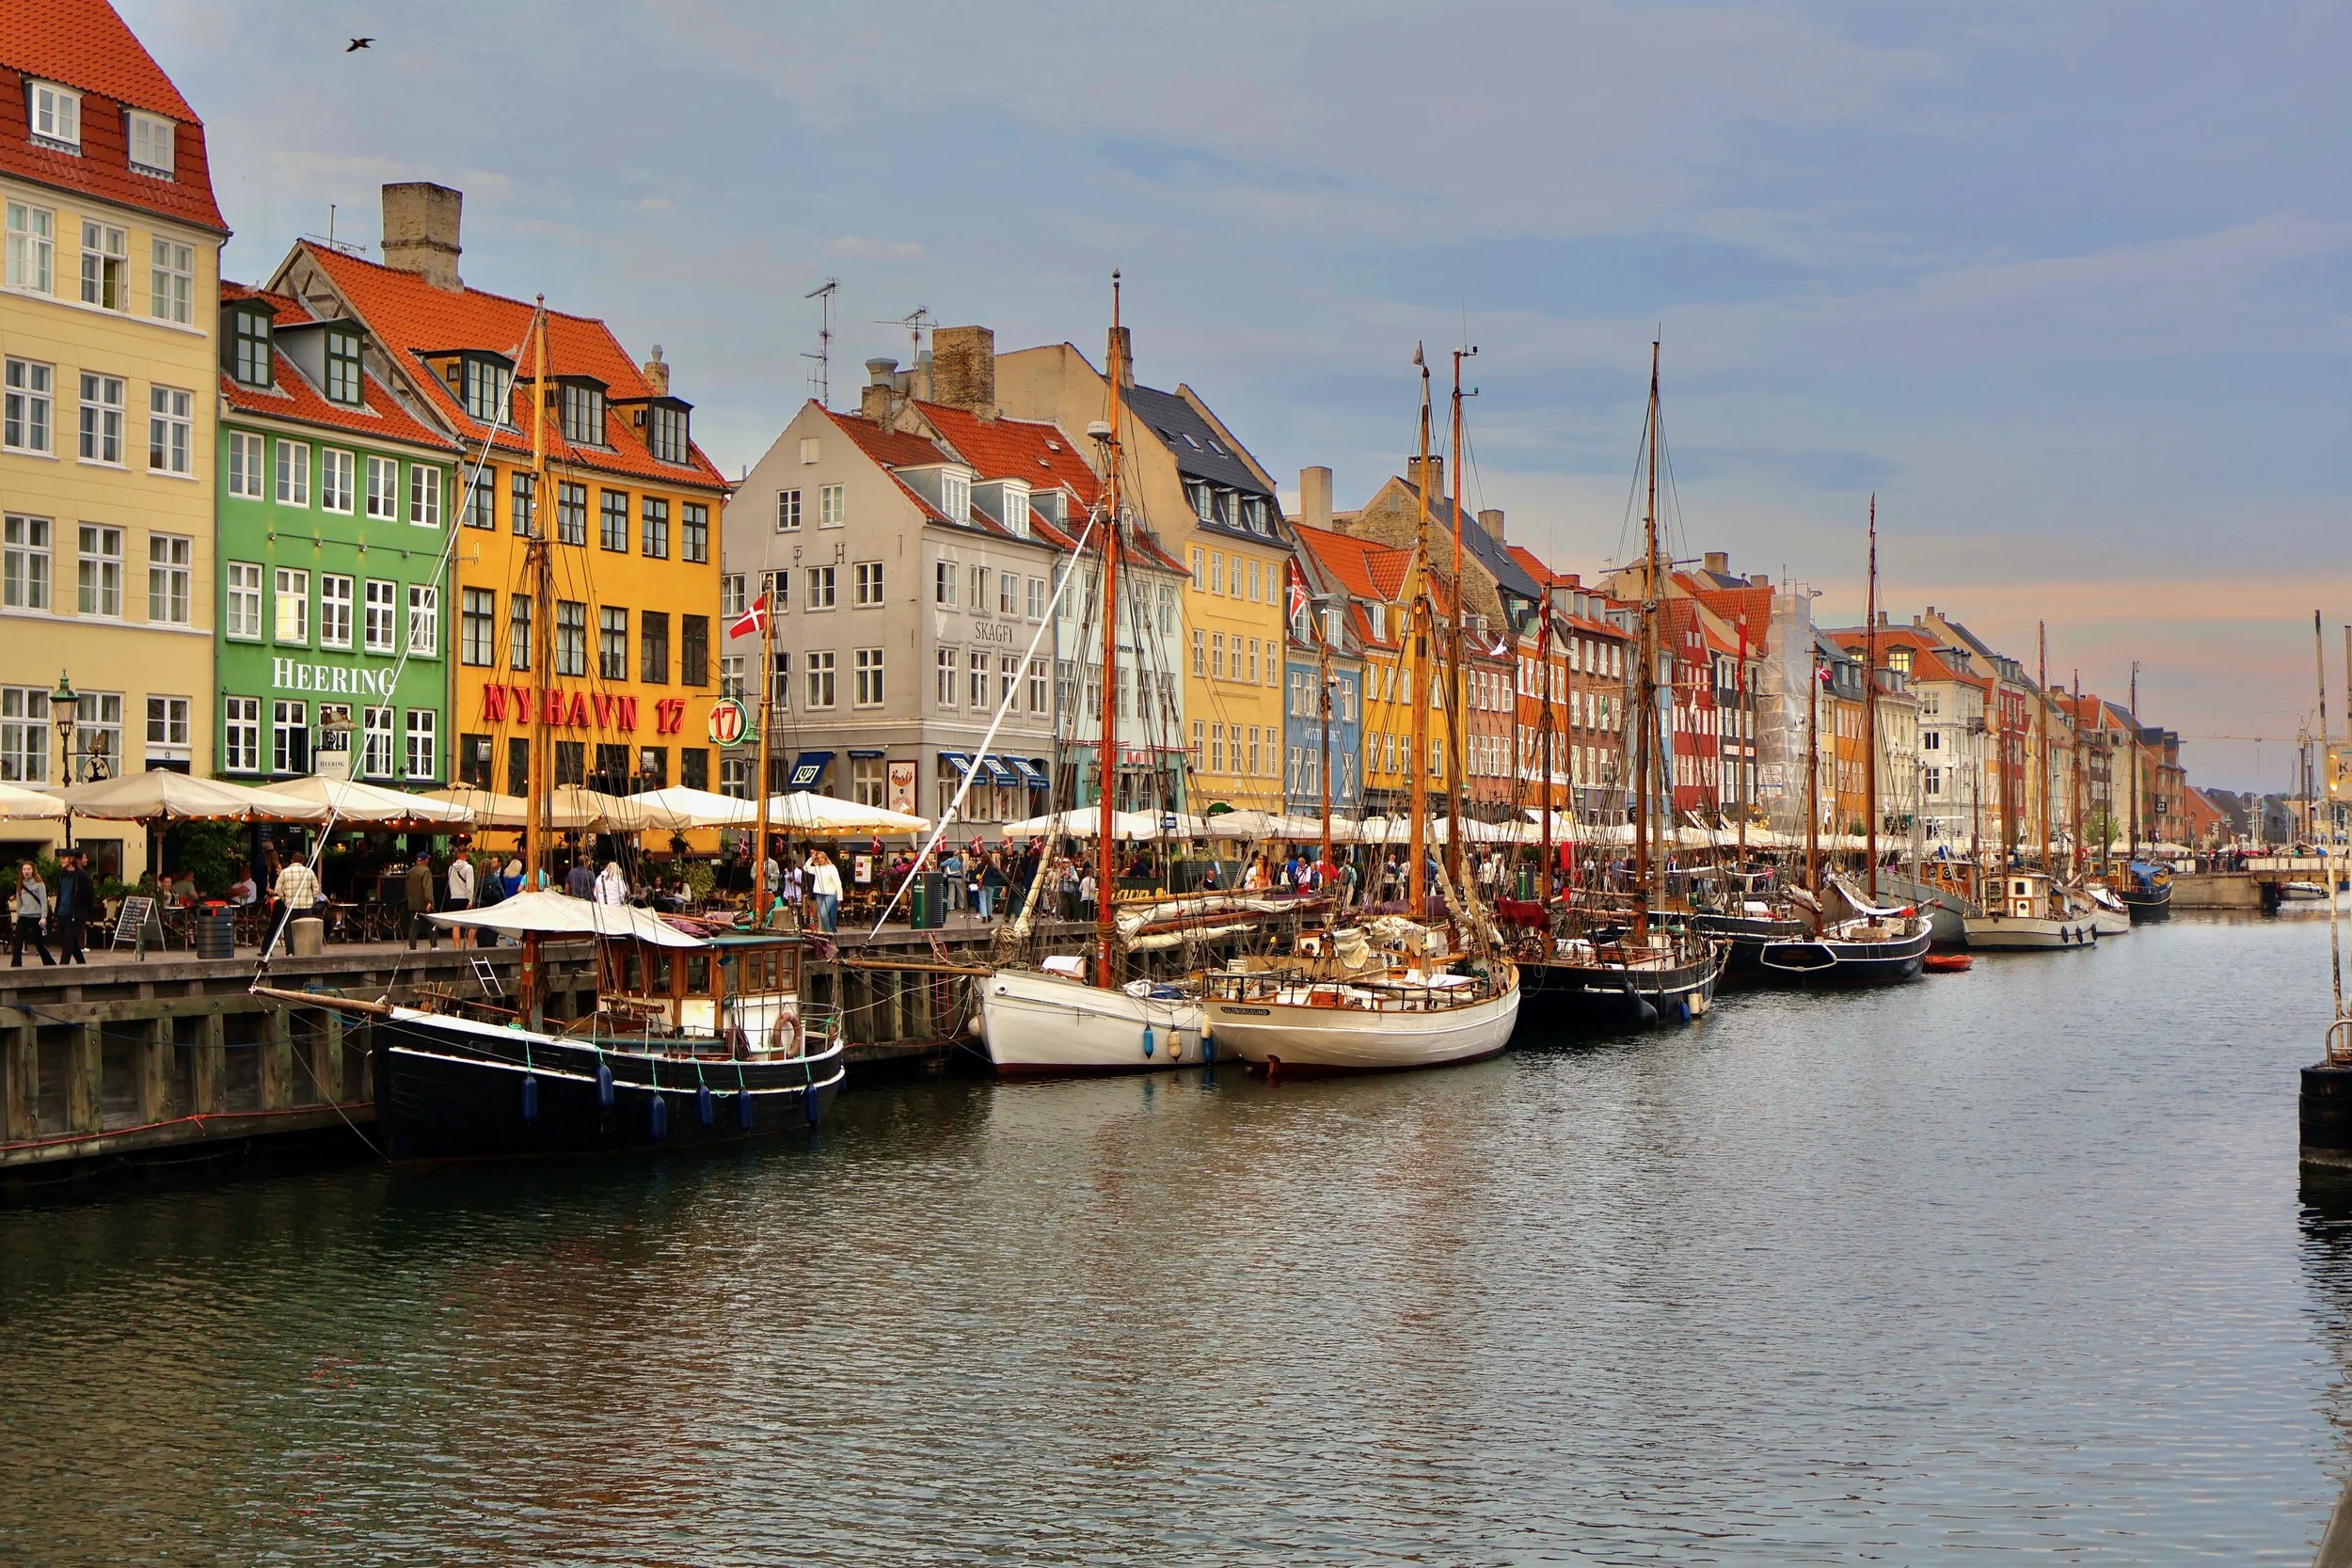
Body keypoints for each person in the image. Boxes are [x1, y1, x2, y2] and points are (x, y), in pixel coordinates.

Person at [268, 855, 319, 957]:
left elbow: (278, 889)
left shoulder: (284, 872)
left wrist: (284, 898)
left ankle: (290, 951)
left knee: (289, 929)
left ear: (291, 860)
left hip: (291, 905)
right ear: (303, 861)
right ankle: (305, 950)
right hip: (306, 906)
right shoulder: (309, 872)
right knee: (305, 929)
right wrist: (312, 900)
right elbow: (316, 888)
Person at [52, 851, 91, 965]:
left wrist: (86, 913)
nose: (61, 860)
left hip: (75, 915)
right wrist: (56, 913)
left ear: (71, 859)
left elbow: (89, 895)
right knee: (71, 942)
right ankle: (82, 966)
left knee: (68, 942)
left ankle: (62, 969)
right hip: (62, 913)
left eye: (64, 858)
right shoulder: (61, 876)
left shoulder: (81, 876)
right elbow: (60, 895)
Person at [11, 862, 53, 967]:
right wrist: (18, 916)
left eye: (29, 869)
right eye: (24, 869)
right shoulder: (20, 884)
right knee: (18, 943)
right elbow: (19, 903)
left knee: (39, 944)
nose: (26, 871)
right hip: (24, 916)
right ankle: (15, 966)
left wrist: (44, 917)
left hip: (36, 917)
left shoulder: (39, 884)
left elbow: (44, 902)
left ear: (33, 870)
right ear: (21, 871)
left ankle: (50, 964)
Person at [403, 851, 437, 950]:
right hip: (424, 903)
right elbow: (427, 888)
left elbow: (406, 888)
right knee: (432, 924)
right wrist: (429, 901)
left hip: (413, 903)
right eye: (427, 859)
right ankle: (434, 946)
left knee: (413, 926)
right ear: (424, 860)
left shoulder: (410, 871)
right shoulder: (426, 871)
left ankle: (412, 947)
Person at [445, 852, 476, 948]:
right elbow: (470, 886)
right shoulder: (469, 868)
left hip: (454, 897)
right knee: (471, 925)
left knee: (456, 925)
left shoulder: (451, 868)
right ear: (466, 855)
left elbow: (450, 883)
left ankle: (457, 948)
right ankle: (469, 947)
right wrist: (471, 900)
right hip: (465, 897)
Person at [808, 849, 843, 933]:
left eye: (821, 857)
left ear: (825, 858)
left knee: (826, 914)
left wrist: (840, 897)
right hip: (820, 894)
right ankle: (829, 931)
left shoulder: (831, 868)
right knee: (822, 915)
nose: (820, 859)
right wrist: (812, 857)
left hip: (830, 894)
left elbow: (837, 882)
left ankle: (829, 932)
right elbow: (806, 868)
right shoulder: (817, 868)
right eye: (818, 858)